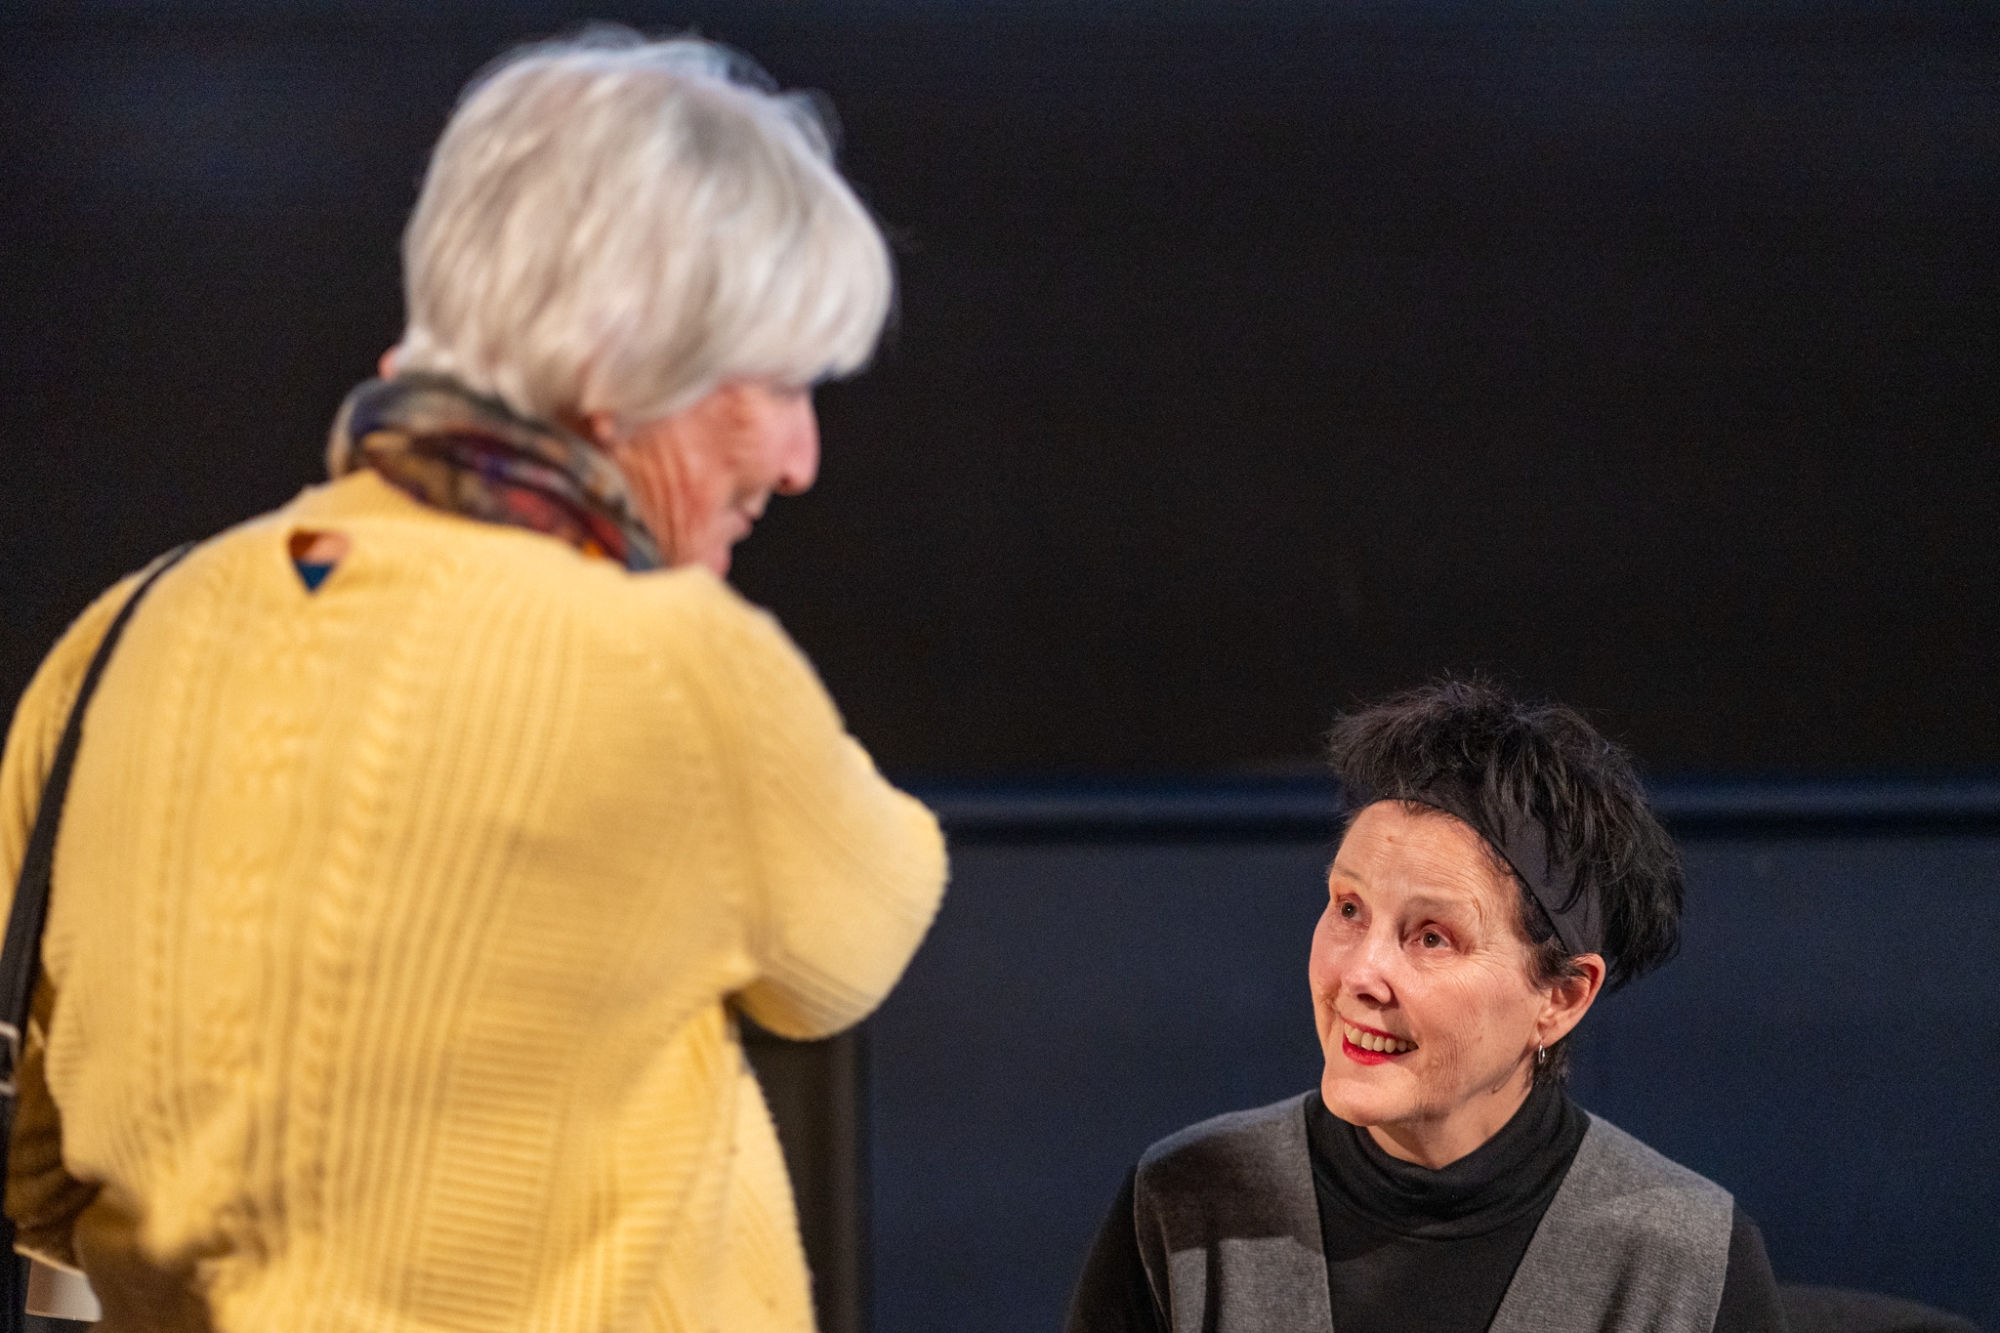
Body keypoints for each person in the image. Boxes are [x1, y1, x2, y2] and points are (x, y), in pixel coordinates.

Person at [0, 30, 945, 1332]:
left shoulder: (115, 640)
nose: (800, 457)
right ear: (620, 364)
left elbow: (38, 1170)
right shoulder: (675, 669)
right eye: (776, 383)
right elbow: (855, 944)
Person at [1065, 679, 1786, 1333]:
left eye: (1432, 937)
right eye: (1349, 907)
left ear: (1561, 997)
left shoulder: (1685, 1268)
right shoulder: (1185, 1205)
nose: (1359, 974)